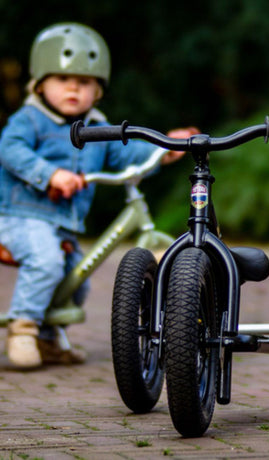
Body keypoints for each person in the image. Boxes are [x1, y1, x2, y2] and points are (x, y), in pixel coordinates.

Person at [0, 23, 196, 370]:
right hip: (22, 217)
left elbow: (126, 154)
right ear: (40, 83)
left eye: (85, 82)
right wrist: (50, 175)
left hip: (63, 224)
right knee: (45, 262)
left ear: (99, 91)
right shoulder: (29, 119)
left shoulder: (97, 129)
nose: (74, 87)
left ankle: (48, 341)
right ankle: (22, 328)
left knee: (76, 281)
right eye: (63, 79)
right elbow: (10, 150)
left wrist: (165, 147)